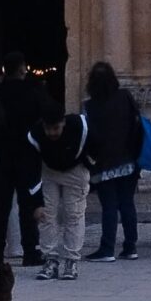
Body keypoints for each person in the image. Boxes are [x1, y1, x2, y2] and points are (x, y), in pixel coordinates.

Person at [0, 52, 47, 269]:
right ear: (23, 68)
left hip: (1, 154)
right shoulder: (33, 91)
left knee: (1, 207)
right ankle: (30, 251)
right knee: (28, 204)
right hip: (27, 154)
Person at [83, 62, 143, 262]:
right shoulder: (125, 97)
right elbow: (137, 125)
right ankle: (130, 246)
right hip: (128, 160)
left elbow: (88, 136)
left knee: (109, 206)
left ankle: (107, 248)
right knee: (127, 203)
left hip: (103, 164)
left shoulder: (89, 106)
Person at [37, 94, 92, 281]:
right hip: (49, 171)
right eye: (48, 128)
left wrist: (89, 164)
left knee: (74, 214)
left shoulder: (80, 127)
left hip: (75, 170)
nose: (52, 133)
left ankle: (71, 259)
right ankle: (50, 259)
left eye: (56, 128)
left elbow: (96, 146)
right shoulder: (36, 134)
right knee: (46, 214)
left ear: (64, 123)